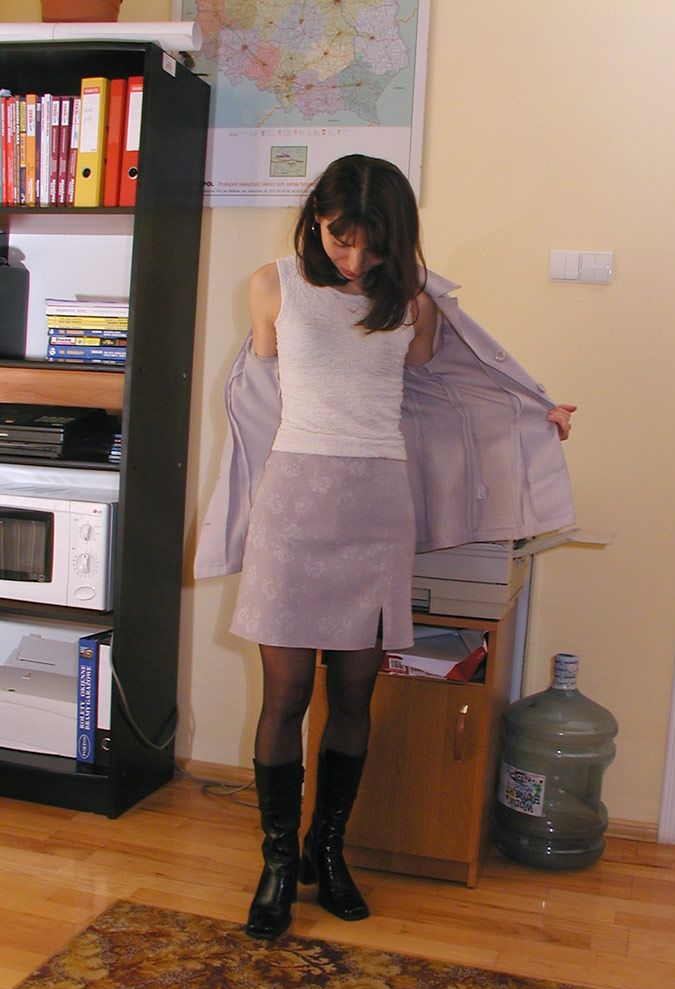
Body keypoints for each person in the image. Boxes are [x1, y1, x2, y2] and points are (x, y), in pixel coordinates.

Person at [206, 154, 576, 942]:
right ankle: (279, 862)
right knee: (284, 697)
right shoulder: (272, 285)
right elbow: (261, 387)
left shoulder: (411, 300)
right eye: (340, 240)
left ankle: (327, 849)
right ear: (315, 221)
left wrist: (532, 414)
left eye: (372, 246)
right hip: (293, 509)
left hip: (377, 510)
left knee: (353, 696)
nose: (354, 259)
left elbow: (447, 392)